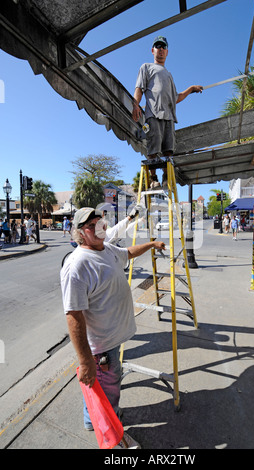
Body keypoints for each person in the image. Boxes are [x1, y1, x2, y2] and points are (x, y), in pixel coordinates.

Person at [60, 207, 165, 449]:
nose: (98, 227)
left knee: (97, 390)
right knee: (109, 394)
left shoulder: (106, 249)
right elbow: (73, 316)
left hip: (111, 341)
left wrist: (150, 245)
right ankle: (113, 437)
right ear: (80, 233)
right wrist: (86, 362)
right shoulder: (77, 266)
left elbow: (127, 253)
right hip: (101, 349)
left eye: (100, 222)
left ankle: (92, 421)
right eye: (90, 225)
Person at [132, 35, 203, 189]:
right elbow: (139, 88)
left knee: (168, 151)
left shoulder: (169, 75)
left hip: (169, 117)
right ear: (153, 50)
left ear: (167, 51)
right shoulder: (147, 67)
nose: (161, 50)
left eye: (163, 47)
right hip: (153, 114)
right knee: (153, 149)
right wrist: (136, 105)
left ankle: (165, 178)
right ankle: (153, 179)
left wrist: (191, 89)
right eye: (158, 47)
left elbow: (176, 98)